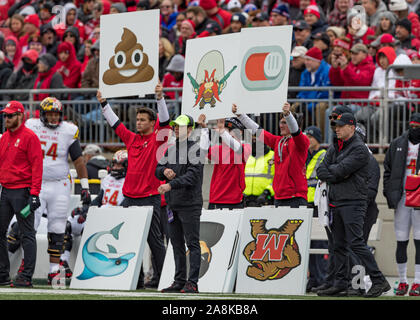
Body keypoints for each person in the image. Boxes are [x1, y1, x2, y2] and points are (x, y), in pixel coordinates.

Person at [96, 82, 170, 289]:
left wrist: (160, 98)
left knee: (154, 241)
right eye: (137, 119)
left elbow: (165, 120)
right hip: (129, 197)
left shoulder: (158, 138)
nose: (137, 123)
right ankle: (135, 281)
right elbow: (116, 124)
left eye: (142, 120)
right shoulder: (131, 139)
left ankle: (164, 278)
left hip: (150, 197)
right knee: (127, 239)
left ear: (151, 122)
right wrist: (104, 104)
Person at [316, 112, 390, 297]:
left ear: (351, 127)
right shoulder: (337, 146)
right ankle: (340, 283)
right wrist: (336, 173)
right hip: (337, 201)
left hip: (353, 202)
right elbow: (321, 170)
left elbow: (338, 170)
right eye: (335, 126)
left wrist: (334, 172)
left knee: (356, 243)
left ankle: (379, 280)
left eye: (340, 126)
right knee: (338, 245)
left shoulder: (359, 149)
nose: (337, 129)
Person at [23, 96, 91, 285]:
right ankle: (25, 269)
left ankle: (54, 271)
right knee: (29, 225)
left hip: (60, 184)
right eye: (50, 114)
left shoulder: (68, 130)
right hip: (36, 183)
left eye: (56, 114)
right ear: (42, 114)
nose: (53, 118)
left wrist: (84, 186)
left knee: (58, 226)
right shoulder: (31, 125)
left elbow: (78, 160)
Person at [60, 149, 128, 278]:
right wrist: (85, 210)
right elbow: (98, 200)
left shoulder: (129, 181)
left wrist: (90, 215)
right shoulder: (108, 178)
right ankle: (63, 262)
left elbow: (124, 205)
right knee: (69, 223)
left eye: (119, 165)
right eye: (114, 164)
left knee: (87, 228)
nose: (115, 167)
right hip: (99, 214)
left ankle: (87, 265)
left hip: (112, 218)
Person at [155, 114, 203, 293]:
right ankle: (180, 281)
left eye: (180, 126)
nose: (176, 129)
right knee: (176, 244)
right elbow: (157, 169)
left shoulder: (196, 149)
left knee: (192, 244)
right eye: (175, 126)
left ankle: (192, 283)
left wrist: (170, 184)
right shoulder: (171, 149)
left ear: (190, 130)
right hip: (173, 204)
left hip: (189, 204)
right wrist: (164, 170)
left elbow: (193, 176)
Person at [233, 102, 310, 208]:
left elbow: (296, 132)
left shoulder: (302, 141)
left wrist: (288, 115)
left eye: (284, 123)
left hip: (295, 198)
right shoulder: (277, 141)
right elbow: (257, 130)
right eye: (280, 122)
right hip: (278, 198)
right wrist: (241, 115)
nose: (281, 125)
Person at [0, 101, 43, 288]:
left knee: (27, 234)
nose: (6, 119)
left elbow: (37, 166)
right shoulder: (4, 138)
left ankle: (26, 276)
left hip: (23, 192)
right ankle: (3, 274)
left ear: (20, 116)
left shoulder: (29, 137)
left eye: (10, 115)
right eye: (5, 115)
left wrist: (34, 193)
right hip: (6, 191)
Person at [383, 113, 420, 296]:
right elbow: (388, 171)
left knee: (419, 242)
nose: (414, 128)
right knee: (401, 240)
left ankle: (418, 282)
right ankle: (404, 280)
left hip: (419, 199)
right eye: (412, 125)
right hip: (403, 197)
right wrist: (389, 194)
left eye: (417, 125)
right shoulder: (398, 143)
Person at [197, 115, 251, 210]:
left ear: (240, 132)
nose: (227, 133)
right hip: (216, 200)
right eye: (225, 130)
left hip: (235, 201)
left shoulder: (246, 147)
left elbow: (238, 149)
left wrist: (222, 132)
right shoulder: (218, 149)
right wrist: (204, 129)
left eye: (230, 130)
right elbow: (202, 151)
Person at [304, 125, 328, 292]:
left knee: (319, 244)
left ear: (318, 139)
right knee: (308, 244)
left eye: (311, 137)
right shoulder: (305, 155)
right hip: (305, 203)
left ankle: (321, 278)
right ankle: (313, 278)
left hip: (317, 205)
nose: (308, 140)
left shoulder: (323, 155)